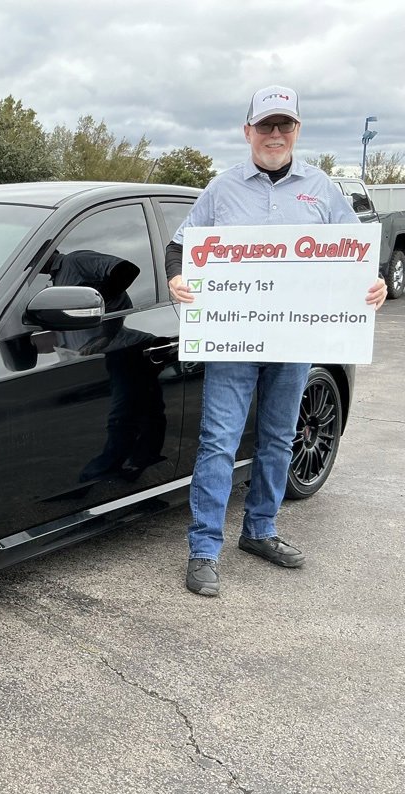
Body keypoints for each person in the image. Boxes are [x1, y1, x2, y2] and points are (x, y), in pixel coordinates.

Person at [167, 84, 387, 597]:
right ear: (247, 131)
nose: (274, 133)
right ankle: (204, 549)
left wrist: (373, 283)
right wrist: (178, 277)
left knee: (278, 438)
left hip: (294, 341)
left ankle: (260, 530)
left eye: (284, 124)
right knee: (219, 442)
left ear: (297, 130)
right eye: (265, 124)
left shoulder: (322, 189)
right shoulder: (221, 189)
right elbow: (179, 247)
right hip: (232, 342)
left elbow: (355, 252)